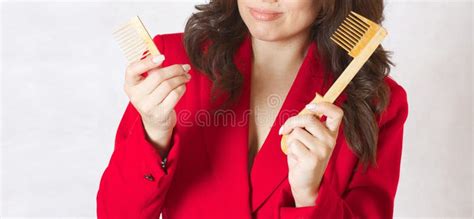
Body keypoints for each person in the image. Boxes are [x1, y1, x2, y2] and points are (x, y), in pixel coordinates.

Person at [97, 0, 408, 218]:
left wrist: (310, 195)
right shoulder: (171, 65)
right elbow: (115, 215)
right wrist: (154, 133)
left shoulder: (377, 104)